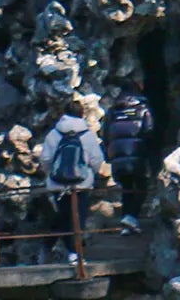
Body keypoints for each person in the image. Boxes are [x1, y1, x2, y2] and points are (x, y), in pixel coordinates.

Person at [38, 97, 105, 257]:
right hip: (81, 184)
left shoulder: (54, 134)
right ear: (82, 115)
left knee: (63, 216)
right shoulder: (86, 134)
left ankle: (56, 248)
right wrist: (90, 174)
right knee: (78, 217)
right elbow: (97, 159)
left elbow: (45, 159)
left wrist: (52, 173)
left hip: (58, 183)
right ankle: (74, 253)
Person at [105, 82, 153, 224]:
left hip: (118, 156)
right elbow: (149, 129)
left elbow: (105, 133)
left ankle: (127, 218)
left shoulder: (113, 110)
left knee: (126, 187)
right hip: (137, 153)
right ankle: (131, 217)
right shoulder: (143, 109)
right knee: (142, 186)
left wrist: (109, 153)